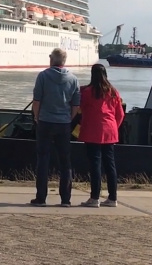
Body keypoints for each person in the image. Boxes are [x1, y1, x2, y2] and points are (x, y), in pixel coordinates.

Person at [30, 48, 80, 208]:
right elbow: (76, 105)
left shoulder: (43, 76)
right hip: (64, 124)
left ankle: (41, 198)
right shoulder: (73, 78)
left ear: (51, 59)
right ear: (64, 61)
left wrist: (37, 117)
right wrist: (68, 118)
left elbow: (36, 101)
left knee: (43, 160)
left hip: (45, 121)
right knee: (65, 162)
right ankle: (65, 199)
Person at [78, 64, 124, 208]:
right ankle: (113, 198)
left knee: (95, 164)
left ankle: (95, 197)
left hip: (93, 130)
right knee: (110, 165)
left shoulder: (87, 92)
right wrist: (114, 127)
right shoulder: (113, 92)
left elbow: (81, 108)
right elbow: (120, 114)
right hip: (110, 130)